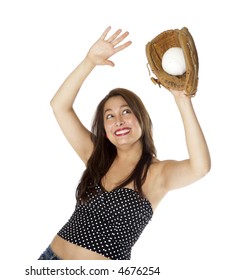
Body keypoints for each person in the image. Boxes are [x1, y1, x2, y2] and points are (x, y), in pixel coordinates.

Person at [38, 26, 211, 260]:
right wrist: (89, 61)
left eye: (126, 111)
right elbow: (59, 105)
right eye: (109, 116)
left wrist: (182, 100)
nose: (118, 120)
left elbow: (200, 167)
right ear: (105, 130)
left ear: (142, 119)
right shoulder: (96, 158)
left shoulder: (157, 173)